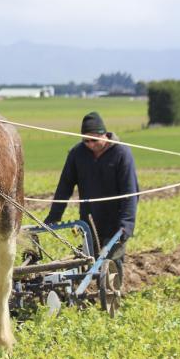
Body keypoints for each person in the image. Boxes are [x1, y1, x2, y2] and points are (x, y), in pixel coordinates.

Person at [44, 111, 139, 277]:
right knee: (90, 263)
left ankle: (112, 296)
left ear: (104, 135)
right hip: (89, 221)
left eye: (94, 140)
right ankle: (89, 296)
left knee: (110, 266)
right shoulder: (77, 154)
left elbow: (130, 192)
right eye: (85, 140)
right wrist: (54, 216)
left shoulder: (122, 154)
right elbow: (64, 187)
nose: (90, 144)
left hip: (116, 222)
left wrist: (126, 224)